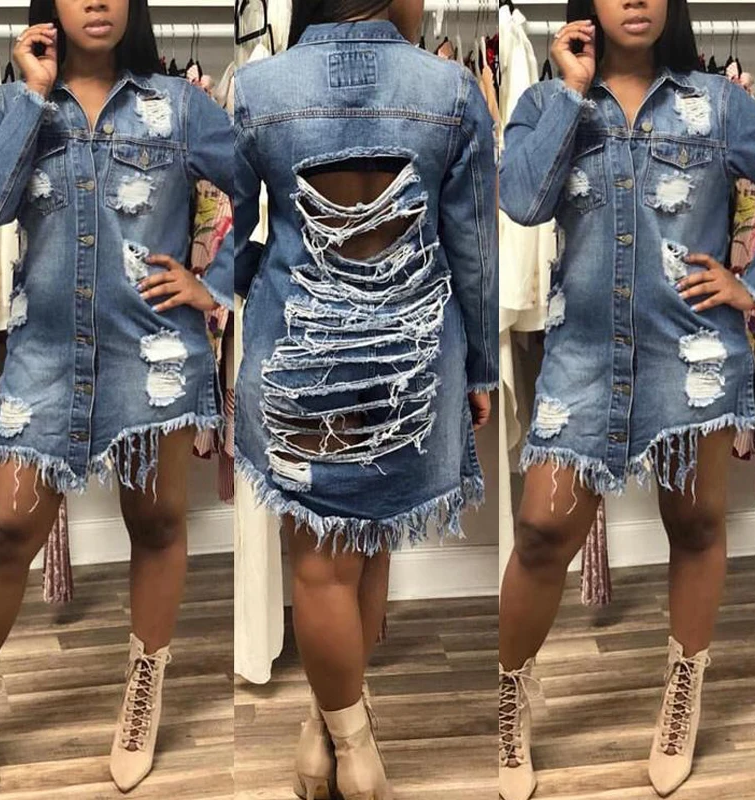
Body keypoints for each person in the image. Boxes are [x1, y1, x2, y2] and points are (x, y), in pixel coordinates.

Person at [0, 1, 232, 796]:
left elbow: (264, 187)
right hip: (45, 356)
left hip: (152, 353)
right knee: (3, 529)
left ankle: (144, 687)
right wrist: (33, 93)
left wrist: (215, 283)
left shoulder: (180, 105)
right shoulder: (10, 103)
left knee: (157, 523)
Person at [498, 0, 755, 797]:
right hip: (582, 354)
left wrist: (750, 286)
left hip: (692, 352)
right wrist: (571, 92)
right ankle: (511, 700)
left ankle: (683, 691)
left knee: (698, 525)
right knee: (541, 532)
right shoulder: (548, 100)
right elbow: (522, 201)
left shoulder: (720, 104)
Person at [233, 1, 497, 798]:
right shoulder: (451, 89)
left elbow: (221, 234)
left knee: (323, 564)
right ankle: (353, 745)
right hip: (411, 358)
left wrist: (259, 283)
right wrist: (481, 369)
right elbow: (474, 252)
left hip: (301, 353)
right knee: (368, 540)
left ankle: (335, 739)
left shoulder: (257, 88)